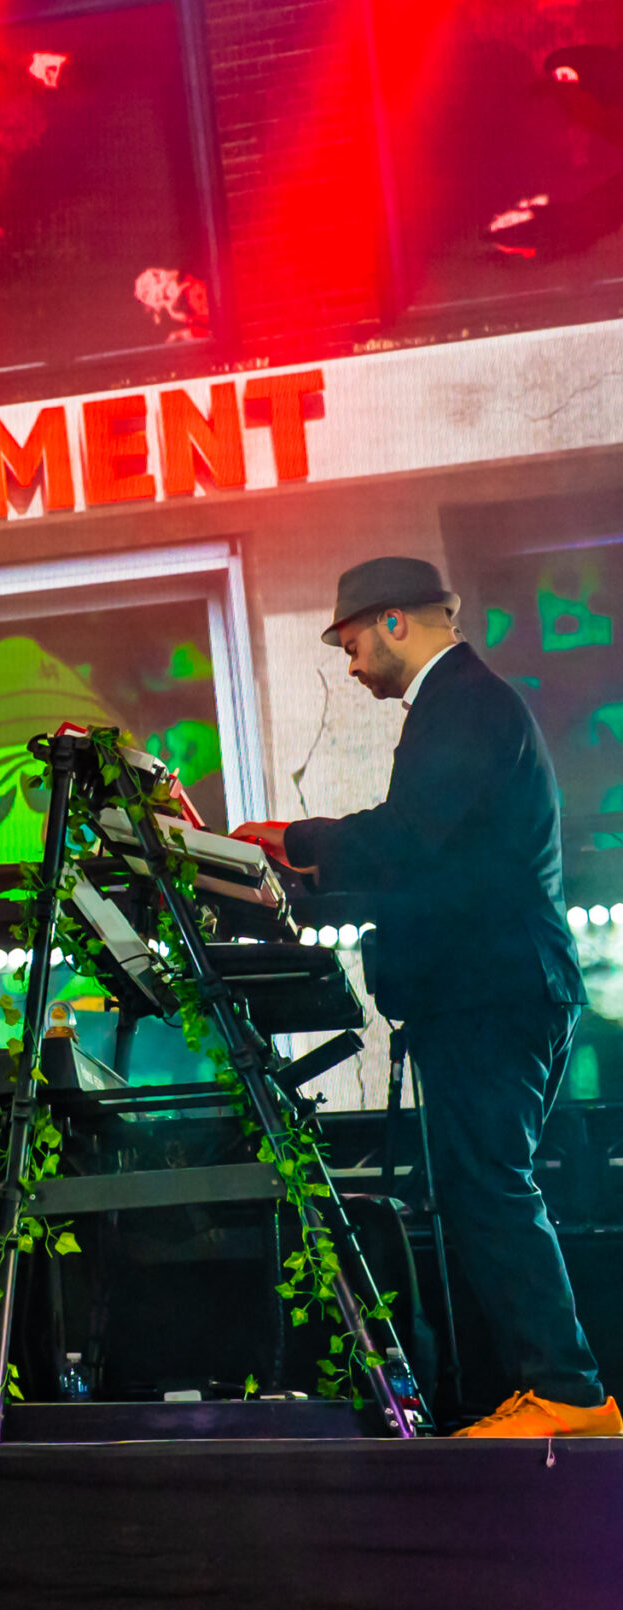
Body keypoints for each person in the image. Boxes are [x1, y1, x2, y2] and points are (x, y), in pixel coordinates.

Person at [237, 555, 610, 1438]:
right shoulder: (465, 706)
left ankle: (570, 1391)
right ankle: (544, 1389)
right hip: (501, 991)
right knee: (488, 1188)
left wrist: (293, 838)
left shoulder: (464, 704)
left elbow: (407, 840)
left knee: (491, 1187)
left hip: (494, 996)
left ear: (395, 621)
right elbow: (436, 861)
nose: (351, 663)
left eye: (353, 640)